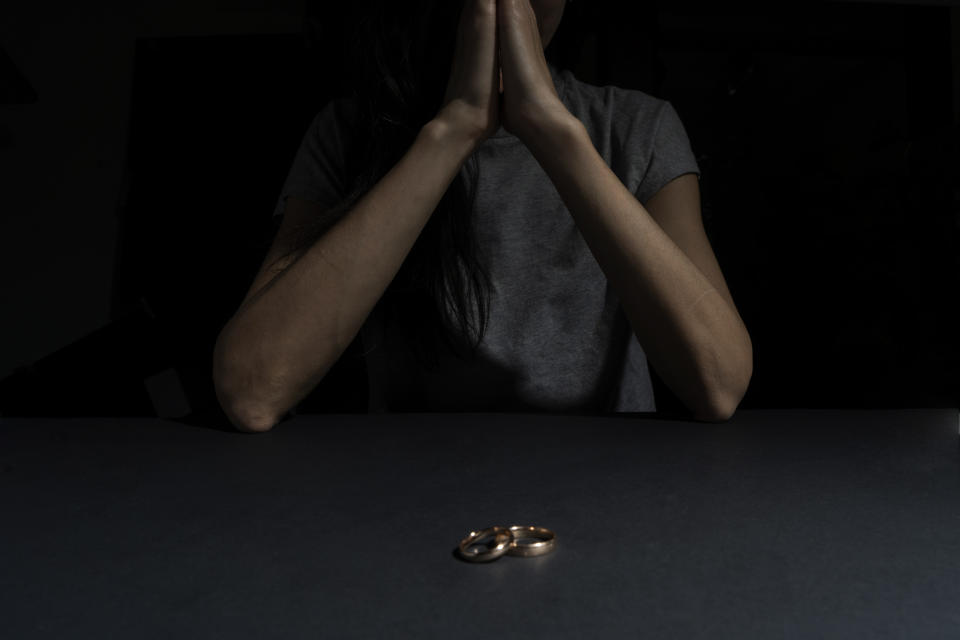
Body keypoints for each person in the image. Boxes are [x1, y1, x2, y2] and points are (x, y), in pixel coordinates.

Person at [212, 0, 753, 432]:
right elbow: (253, 390)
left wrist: (551, 130)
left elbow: (718, 381)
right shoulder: (348, 132)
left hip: (603, 479)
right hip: (406, 491)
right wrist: (454, 130)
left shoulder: (638, 128)